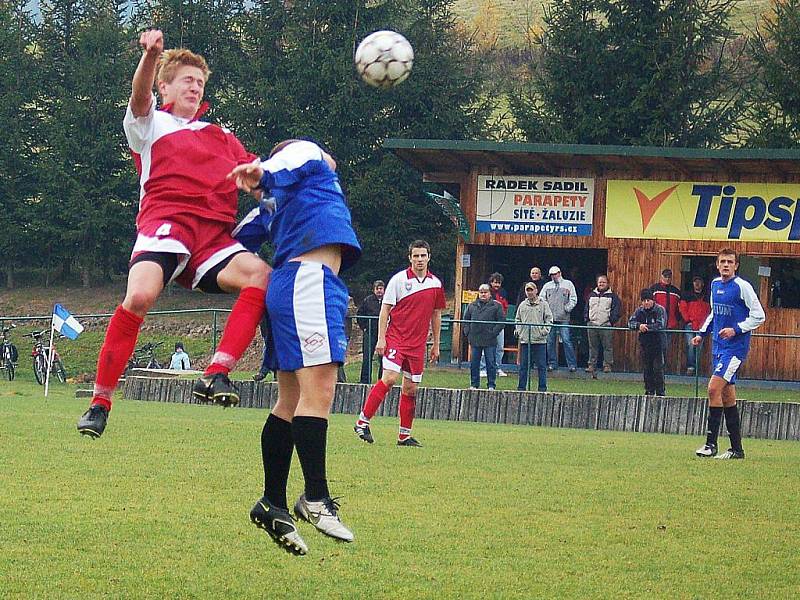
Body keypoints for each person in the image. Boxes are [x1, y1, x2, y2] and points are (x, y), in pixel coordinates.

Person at [76, 30, 269, 439]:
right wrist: (150, 56)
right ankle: (100, 401)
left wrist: (301, 168)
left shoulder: (222, 138)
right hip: (166, 225)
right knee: (141, 296)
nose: (195, 87)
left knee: (261, 276)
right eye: (187, 80)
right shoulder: (151, 125)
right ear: (166, 85)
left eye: (200, 83)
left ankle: (216, 372)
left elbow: (260, 176)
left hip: (214, 238)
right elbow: (138, 97)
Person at [229, 138, 362, 554]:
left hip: (291, 284)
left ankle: (272, 501)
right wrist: (264, 171)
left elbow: (232, 240)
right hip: (308, 283)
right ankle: (316, 498)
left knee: (290, 400)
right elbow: (297, 155)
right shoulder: (313, 161)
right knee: (319, 394)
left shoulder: (272, 202)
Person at [354, 240, 446, 447]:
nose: (420, 260)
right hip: (396, 339)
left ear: (429, 257)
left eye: (423, 256)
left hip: (418, 344)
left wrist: (436, 344)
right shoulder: (398, 280)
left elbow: (436, 314)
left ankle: (404, 436)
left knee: (411, 389)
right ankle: (362, 422)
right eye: (416, 256)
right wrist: (381, 338)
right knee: (389, 379)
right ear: (410, 258)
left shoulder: (436, 284)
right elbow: (385, 310)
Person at [693, 249, 765, 460]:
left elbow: (759, 315)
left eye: (730, 262)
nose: (726, 265)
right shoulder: (715, 284)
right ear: (717, 265)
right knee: (726, 396)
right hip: (718, 347)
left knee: (712, 389)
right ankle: (737, 450)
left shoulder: (743, 287)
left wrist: (737, 329)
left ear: (736, 266)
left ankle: (710, 444)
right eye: (722, 261)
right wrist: (701, 334)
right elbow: (714, 313)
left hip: (734, 349)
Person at [462, 284, 505, 390]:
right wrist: (468, 332)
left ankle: (491, 385)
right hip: (475, 338)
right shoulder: (472, 305)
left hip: (490, 340)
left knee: (491, 363)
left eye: (485, 292)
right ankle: (474, 384)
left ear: (490, 294)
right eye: (481, 292)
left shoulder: (496, 306)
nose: (483, 294)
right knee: (474, 363)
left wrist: (493, 333)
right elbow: (465, 320)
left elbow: (501, 322)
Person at [515, 282, 553, 392]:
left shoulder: (544, 304)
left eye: (531, 290)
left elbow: (549, 319)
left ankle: (542, 388)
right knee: (523, 366)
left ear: (536, 290)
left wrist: (544, 331)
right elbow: (517, 319)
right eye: (528, 290)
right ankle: (521, 388)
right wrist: (520, 331)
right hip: (525, 340)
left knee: (541, 366)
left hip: (540, 341)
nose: (530, 292)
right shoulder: (522, 305)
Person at [628, 289, 666, 396]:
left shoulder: (660, 310)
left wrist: (646, 328)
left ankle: (660, 392)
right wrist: (638, 326)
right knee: (647, 369)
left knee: (658, 369)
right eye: (644, 300)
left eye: (648, 300)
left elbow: (660, 325)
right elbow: (630, 322)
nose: (646, 303)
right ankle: (649, 391)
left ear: (652, 300)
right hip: (645, 345)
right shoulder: (639, 311)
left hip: (658, 344)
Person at [541, 266, 578, 371]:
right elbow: (542, 298)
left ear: (560, 273)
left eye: (555, 274)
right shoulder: (547, 286)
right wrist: (546, 310)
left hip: (564, 318)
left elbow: (574, 299)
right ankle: (552, 363)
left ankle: (571, 365)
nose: (553, 276)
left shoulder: (568, 284)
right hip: (550, 318)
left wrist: (567, 309)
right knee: (550, 341)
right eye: (552, 275)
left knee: (566, 340)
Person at [584, 274, 622, 376]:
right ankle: (592, 365)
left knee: (607, 347)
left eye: (603, 282)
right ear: (597, 283)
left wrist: (610, 321)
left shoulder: (613, 296)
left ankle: (607, 365)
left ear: (607, 283)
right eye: (600, 282)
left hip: (606, 325)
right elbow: (586, 308)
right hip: (592, 324)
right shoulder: (591, 295)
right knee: (592, 347)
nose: (601, 284)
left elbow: (617, 311)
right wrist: (587, 319)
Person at [679, 276, 711, 376]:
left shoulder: (707, 296)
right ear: (692, 283)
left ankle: (696, 368)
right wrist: (688, 320)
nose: (697, 284)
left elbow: (710, 311)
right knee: (690, 345)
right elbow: (682, 308)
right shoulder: (686, 295)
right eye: (695, 282)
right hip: (690, 324)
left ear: (703, 284)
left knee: (699, 347)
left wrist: (706, 323)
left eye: (699, 282)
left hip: (702, 326)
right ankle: (690, 367)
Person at [649, 268, 681, 365]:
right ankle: (655, 364)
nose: (667, 278)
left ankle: (661, 366)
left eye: (669, 277)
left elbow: (679, 308)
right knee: (655, 345)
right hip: (656, 324)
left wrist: (677, 319)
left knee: (665, 346)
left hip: (670, 324)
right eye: (665, 276)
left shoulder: (676, 292)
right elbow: (649, 305)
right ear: (661, 276)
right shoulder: (654, 289)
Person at [356, 280, 385, 384]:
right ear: (374, 290)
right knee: (367, 357)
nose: (379, 291)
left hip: (383, 334)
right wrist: (364, 327)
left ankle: (382, 381)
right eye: (377, 289)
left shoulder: (387, 300)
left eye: (381, 288)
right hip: (370, 332)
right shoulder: (368, 300)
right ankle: (365, 381)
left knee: (383, 359)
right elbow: (360, 314)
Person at [485, 272, 509, 377]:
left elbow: (505, 307)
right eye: (495, 282)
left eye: (498, 283)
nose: (496, 285)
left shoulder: (503, 293)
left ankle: (497, 367)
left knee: (500, 347)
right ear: (491, 282)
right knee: (485, 346)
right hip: (488, 324)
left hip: (499, 323)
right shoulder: (486, 292)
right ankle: (483, 368)